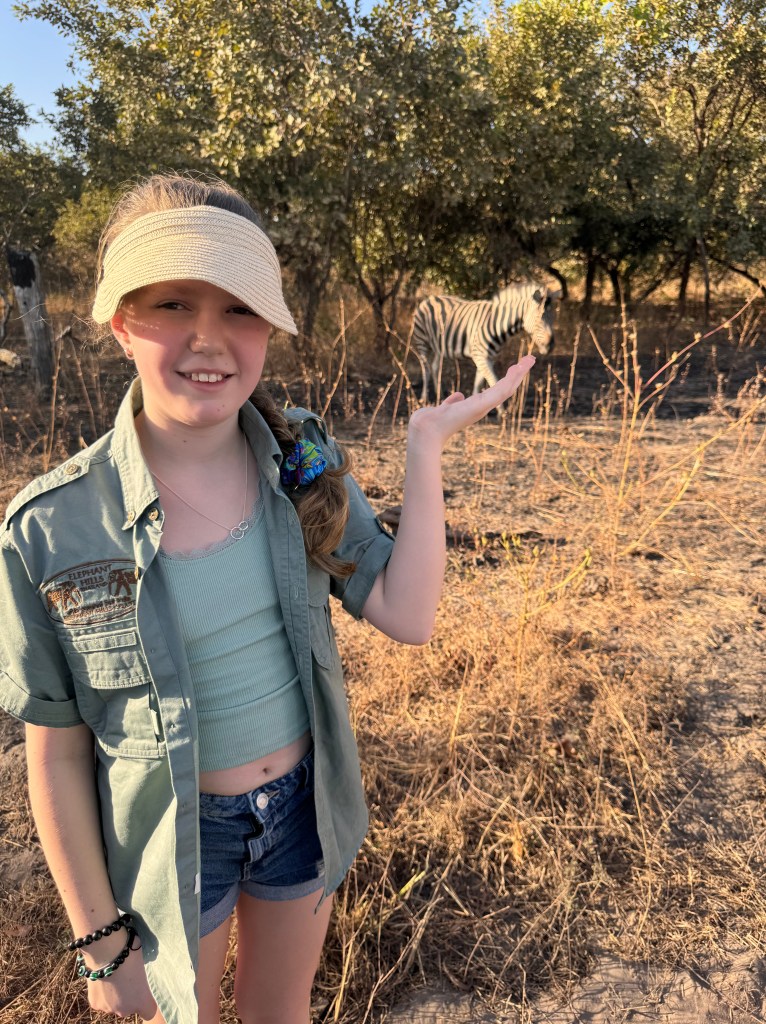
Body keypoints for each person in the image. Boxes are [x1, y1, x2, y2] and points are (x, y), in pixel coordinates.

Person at [0, 173, 535, 1024]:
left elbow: (408, 612)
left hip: (302, 807)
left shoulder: (302, 456)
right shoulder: (51, 529)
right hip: (178, 839)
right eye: (174, 304)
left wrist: (425, 449)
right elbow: (56, 755)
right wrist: (100, 941)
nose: (210, 340)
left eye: (240, 309)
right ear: (120, 322)